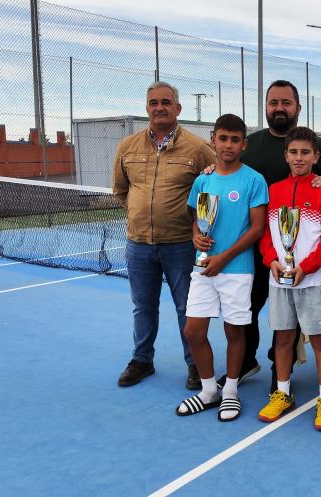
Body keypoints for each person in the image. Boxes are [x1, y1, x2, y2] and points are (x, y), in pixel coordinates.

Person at [216, 80, 321, 393]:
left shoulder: (314, 145)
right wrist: (213, 167)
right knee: (247, 310)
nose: (279, 108)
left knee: (287, 325)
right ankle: (246, 361)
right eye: (273, 102)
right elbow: (228, 169)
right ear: (266, 107)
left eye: (285, 103)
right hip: (255, 247)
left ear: (297, 109)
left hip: (301, 259)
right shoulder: (251, 144)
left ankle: (281, 374)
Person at [113, 81, 216, 390]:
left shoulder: (198, 148)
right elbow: (121, 191)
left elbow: (214, 189)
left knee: (188, 308)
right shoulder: (127, 147)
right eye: (154, 102)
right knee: (143, 306)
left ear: (177, 109)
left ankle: (196, 365)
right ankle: (142, 360)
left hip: (181, 246)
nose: (160, 107)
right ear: (147, 108)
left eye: (166, 103)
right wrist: (140, 214)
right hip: (139, 245)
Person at [175, 114, 268, 421]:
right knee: (193, 330)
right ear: (213, 139)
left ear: (244, 144)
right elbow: (196, 220)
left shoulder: (254, 180)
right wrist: (195, 237)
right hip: (203, 268)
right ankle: (208, 391)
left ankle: (230, 391)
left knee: (234, 332)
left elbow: (256, 229)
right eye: (223, 138)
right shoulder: (203, 179)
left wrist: (224, 257)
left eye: (235, 139)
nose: (228, 145)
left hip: (237, 270)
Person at [257, 126, 321, 430]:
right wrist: (271, 261)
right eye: (293, 152)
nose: (299, 157)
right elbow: (266, 234)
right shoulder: (274, 191)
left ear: (316, 156)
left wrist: (307, 266)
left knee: (320, 340)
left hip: (313, 280)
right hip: (279, 280)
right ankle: (283, 393)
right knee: (282, 338)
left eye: (305, 152)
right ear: (286, 155)